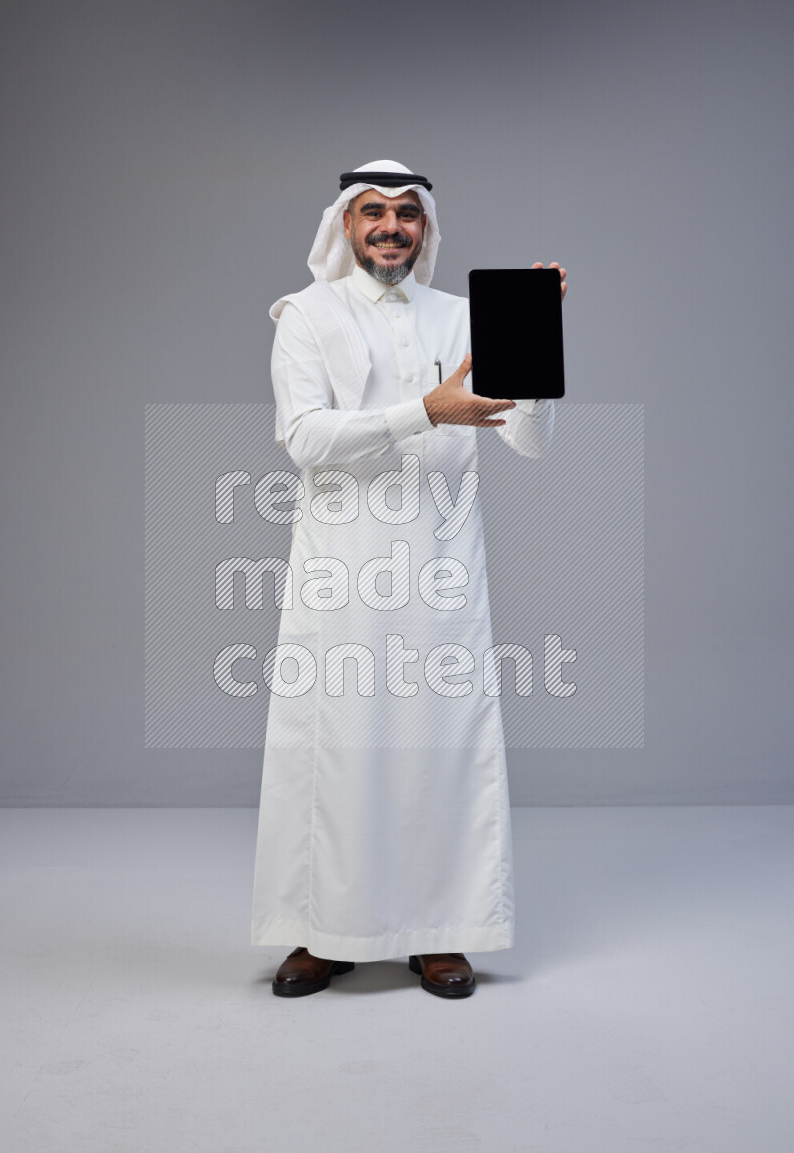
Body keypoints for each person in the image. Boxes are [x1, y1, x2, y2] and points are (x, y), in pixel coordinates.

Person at [250, 159, 565, 998]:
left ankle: (438, 933)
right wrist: (425, 409)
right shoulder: (306, 316)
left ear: (425, 228)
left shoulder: (464, 318)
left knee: (438, 750)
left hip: (440, 575)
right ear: (345, 225)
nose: (392, 227)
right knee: (335, 752)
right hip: (341, 576)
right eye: (373, 213)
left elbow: (526, 443)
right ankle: (321, 933)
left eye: (407, 215)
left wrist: (536, 345)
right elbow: (306, 437)